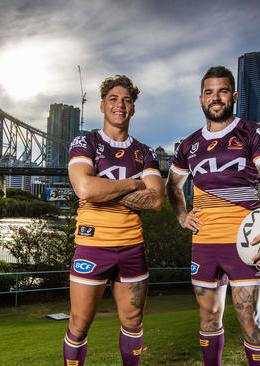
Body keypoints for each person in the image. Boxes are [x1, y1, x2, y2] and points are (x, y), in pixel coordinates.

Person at [166, 66, 260, 366]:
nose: (215, 98)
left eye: (222, 91)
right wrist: (182, 215)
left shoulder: (252, 132)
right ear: (201, 99)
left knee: (249, 317)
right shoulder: (189, 144)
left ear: (233, 96)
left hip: (245, 242)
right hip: (204, 242)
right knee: (208, 317)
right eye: (209, 92)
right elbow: (172, 184)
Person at [63, 74, 165, 366]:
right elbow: (84, 188)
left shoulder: (144, 152)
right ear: (102, 105)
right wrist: (134, 184)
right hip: (92, 244)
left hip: (132, 246)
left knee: (133, 321)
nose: (120, 105)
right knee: (79, 323)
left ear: (133, 108)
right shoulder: (86, 141)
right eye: (113, 98)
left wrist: (102, 188)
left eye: (127, 100)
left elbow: (156, 200)